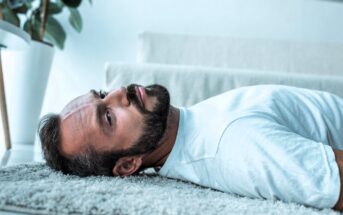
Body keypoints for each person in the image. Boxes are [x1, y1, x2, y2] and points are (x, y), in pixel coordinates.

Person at [38, 84, 343, 211]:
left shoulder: (194, 126)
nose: (120, 92)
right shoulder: (234, 145)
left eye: (103, 94)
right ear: (128, 164)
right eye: (108, 117)